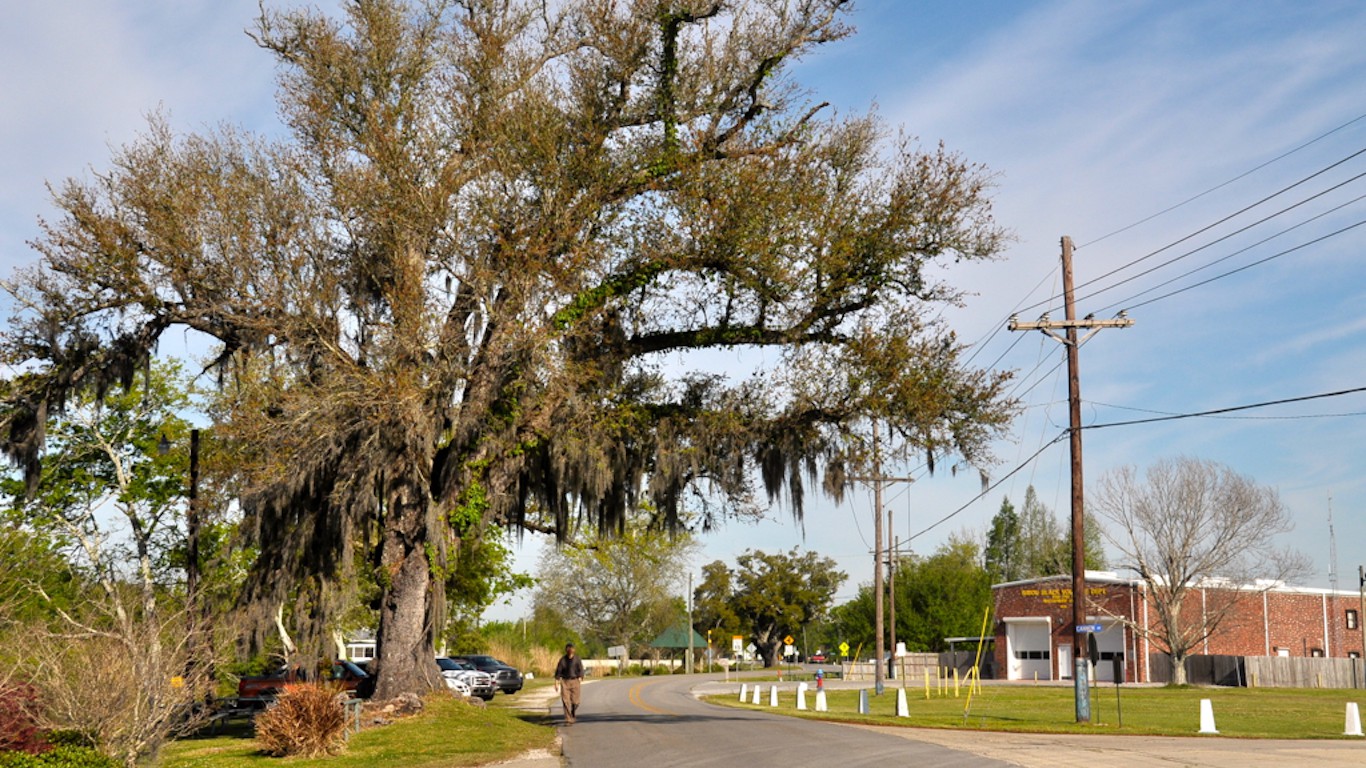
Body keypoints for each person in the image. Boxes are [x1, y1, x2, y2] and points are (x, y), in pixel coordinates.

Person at [554, 642, 585, 725]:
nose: (570, 650)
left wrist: (580, 677)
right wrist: (556, 683)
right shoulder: (562, 660)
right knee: (566, 701)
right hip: (565, 682)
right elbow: (558, 672)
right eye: (568, 649)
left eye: (571, 649)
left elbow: (581, 669)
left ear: (574, 650)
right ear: (566, 650)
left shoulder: (577, 659)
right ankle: (568, 719)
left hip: (575, 681)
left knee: (576, 702)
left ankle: (573, 712)